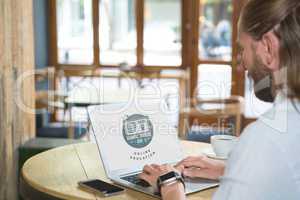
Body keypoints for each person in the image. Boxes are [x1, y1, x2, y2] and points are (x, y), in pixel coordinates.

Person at [139, 0, 300, 199]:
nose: (242, 65)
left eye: (244, 48)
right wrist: (231, 169)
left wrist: (170, 184)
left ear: (268, 47)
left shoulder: (266, 140)